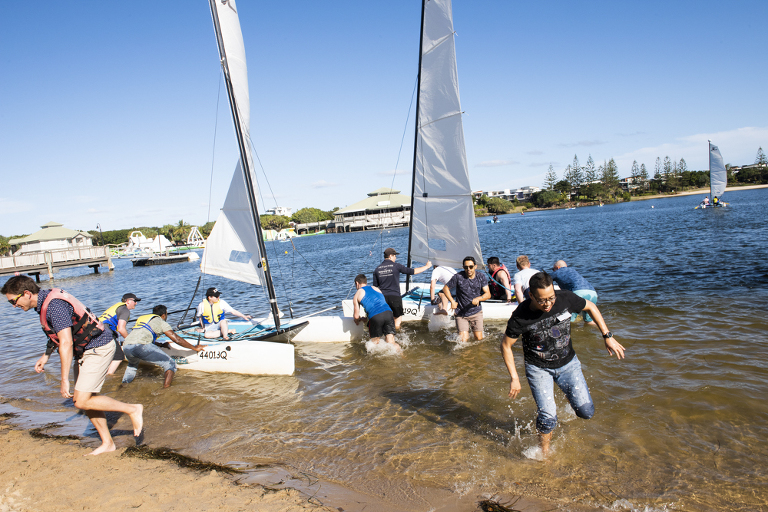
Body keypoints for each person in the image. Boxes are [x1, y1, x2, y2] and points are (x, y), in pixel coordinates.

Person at [2, 276, 143, 455]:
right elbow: (59, 334)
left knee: (82, 400)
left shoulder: (54, 306)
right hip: (86, 350)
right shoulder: (45, 302)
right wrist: (45, 356)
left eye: (14, 301)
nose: (14, 306)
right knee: (85, 400)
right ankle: (108, 443)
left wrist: (64, 379)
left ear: (27, 293)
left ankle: (133, 409)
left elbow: (67, 342)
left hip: (98, 346)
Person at [500, 271, 625, 457]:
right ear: (531, 295)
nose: (548, 304)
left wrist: (607, 336)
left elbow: (590, 307)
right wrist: (514, 378)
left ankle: (567, 393)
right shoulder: (520, 316)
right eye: (542, 300)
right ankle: (544, 454)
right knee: (548, 417)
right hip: (538, 369)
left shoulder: (565, 298)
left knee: (586, 412)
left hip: (569, 364)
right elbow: (505, 346)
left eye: (551, 298)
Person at [122, 305, 206, 388]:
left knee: (132, 366)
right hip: (141, 346)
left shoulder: (143, 318)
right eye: (166, 314)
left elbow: (142, 336)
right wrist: (194, 347)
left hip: (126, 346)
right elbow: (176, 338)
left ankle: (123, 386)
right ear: (163, 315)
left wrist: (160, 344)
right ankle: (166, 389)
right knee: (170, 364)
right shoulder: (160, 321)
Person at [372, 248, 431, 329]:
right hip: (395, 297)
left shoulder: (377, 269)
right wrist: (426, 266)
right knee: (397, 319)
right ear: (390, 256)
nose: (396, 258)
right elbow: (413, 271)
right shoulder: (396, 266)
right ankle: (397, 334)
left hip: (383, 298)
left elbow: (375, 288)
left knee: (385, 320)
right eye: (395, 256)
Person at [442, 256, 491, 342]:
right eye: (466, 267)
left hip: (476, 312)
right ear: (463, 267)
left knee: (479, 339)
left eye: (471, 267)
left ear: (475, 266)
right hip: (461, 314)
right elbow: (445, 288)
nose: (468, 269)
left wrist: (479, 298)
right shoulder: (458, 277)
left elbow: (488, 294)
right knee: (463, 341)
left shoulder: (481, 277)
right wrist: (452, 301)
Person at [352, 274, 401, 352]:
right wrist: (367, 319)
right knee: (391, 342)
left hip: (375, 316)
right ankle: (402, 356)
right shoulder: (376, 288)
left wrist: (358, 320)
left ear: (357, 283)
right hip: (388, 313)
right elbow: (379, 306)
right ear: (365, 282)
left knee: (374, 343)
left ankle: (373, 361)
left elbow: (356, 316)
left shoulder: (357, 294)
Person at [99, 293, 141, 375]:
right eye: (135, 301)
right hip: (106, 332)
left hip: (98, 330)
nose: (136, 303)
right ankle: (109, 376)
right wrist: (130, 341)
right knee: (119, 356)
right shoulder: (125, 310)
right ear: (128, 301)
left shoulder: (117, 306)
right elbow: (121, 329)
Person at [551, 260, 598, 325]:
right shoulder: (572, 271)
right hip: (592, 293)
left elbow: (544, 280)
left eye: (553, 269)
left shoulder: (558, 271)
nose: (553, 271)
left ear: (558, 267)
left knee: (567, 320)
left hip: (578, 293)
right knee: (589, 321)